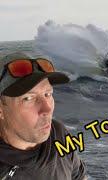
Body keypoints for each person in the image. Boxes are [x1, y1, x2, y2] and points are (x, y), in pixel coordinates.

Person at [0, 52, 87, 180]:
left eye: (48, 94)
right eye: (28, 98)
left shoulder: (58, 133)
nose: (47, 109)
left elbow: (78, 176)